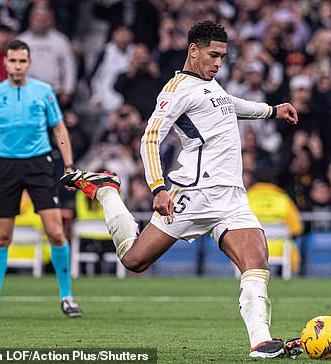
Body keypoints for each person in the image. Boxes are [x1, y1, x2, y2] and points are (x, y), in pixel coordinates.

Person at [62, 20, 302, 359]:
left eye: (223, 56)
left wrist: (272, 111)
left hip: (231, 199)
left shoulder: (211, 86)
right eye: (214, 55)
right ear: (193, 51)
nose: (219, 63)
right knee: (134, 260)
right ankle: (107, 191)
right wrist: (158, 188)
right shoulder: (176, 90)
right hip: (194, 196)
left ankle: (261, 341)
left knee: (256, 260)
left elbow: (232, 105)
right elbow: (150, 137)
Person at [0, 39, 82, 319]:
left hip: (40, 163)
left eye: (21, 61)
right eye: (12, 60)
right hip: (5, 166)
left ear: (28, 63)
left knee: (55, 232)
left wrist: (69, 165)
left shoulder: (43, 92)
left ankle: (67, 297)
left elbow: (59, 129)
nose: (17, 65)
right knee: (2, 236)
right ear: (5, 63)